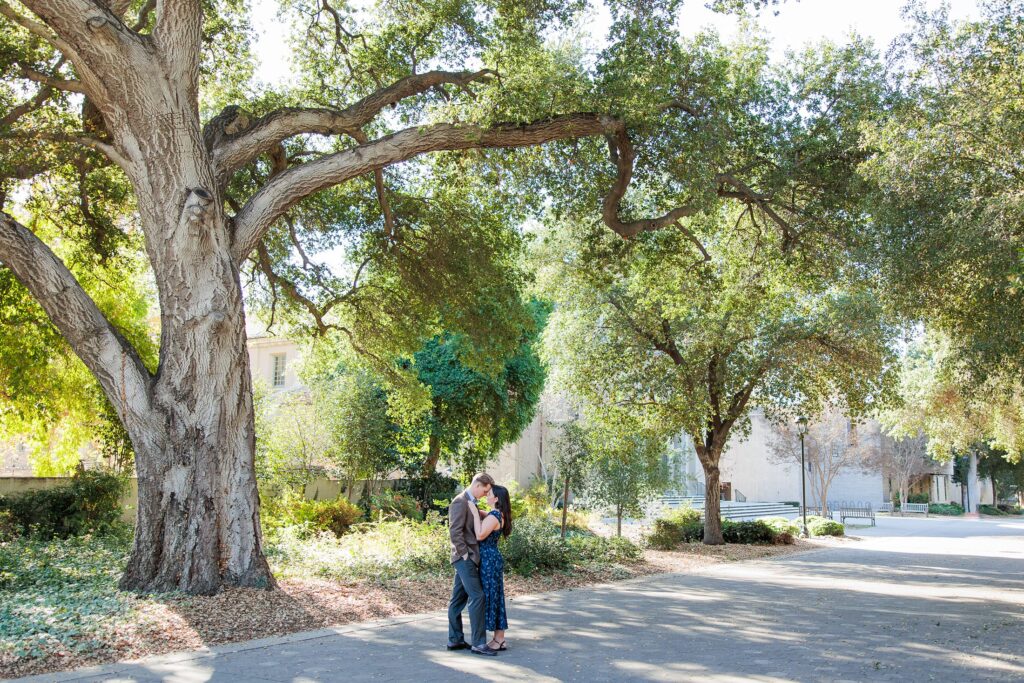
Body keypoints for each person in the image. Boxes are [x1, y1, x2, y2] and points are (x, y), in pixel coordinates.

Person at [446, 473, 496, 656]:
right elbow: (455, 531)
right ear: (477, 485)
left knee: (458, 599)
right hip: (463, 558)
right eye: (485, 490)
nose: (485, 493)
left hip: (466, 558)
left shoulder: (471, 501)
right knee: (478, 596)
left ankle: (455, 639)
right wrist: (465, 555)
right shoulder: (460, 501)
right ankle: (479, 643)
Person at [472, 484, 512, 651]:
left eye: (490, 494)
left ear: (496, 499)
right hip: (493, 559)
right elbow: (488, 517)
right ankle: (499, 638)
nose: (487, 495)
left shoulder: (495, 515)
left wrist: (474, 513)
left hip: (489, 560)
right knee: (495, 596)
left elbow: (480, 534)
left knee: (491, 597)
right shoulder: (497, 514)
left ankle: (499, 638)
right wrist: (480, 512)